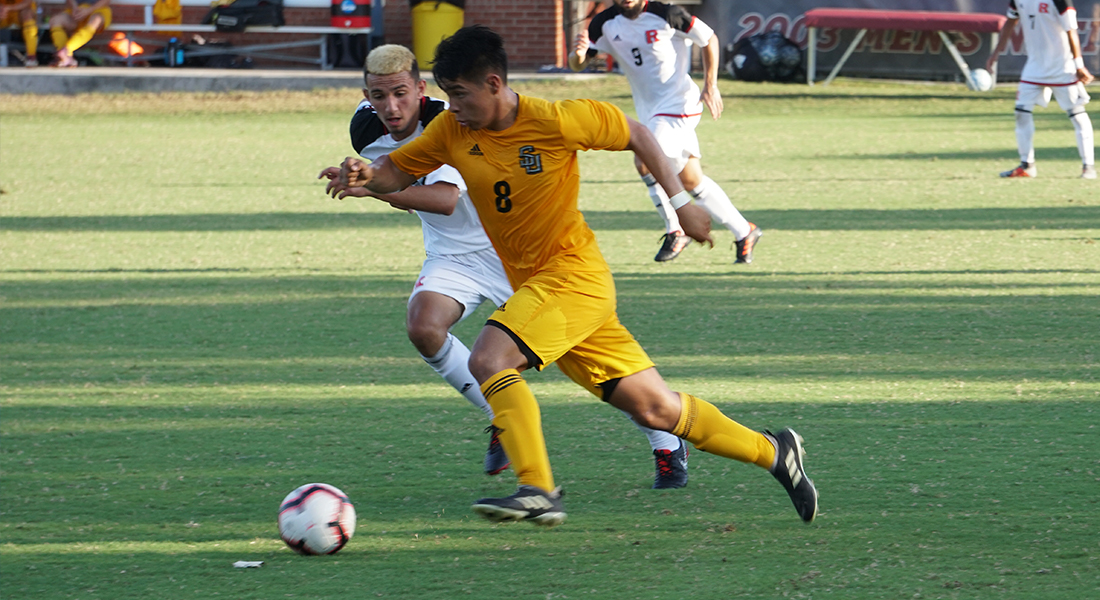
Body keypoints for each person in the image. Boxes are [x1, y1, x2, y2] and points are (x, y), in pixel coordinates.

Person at [323, 25, 818, 527]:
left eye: (458, 94)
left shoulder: (557, 120)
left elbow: (637, 134)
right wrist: (365, 176)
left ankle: (537, 488)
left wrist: (682, 202)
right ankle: (775, 452)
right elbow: (398, 173)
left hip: (572, 278)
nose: (451, 107)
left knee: (490, 358)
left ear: (494, 84)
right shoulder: (453, 131)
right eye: (447, 95)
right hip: (544, 291)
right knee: (656, 411)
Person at [319, 43, 693, 489]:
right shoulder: (366, 130)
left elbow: (443, 198)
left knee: (594, 363)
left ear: (421, 88)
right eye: (379, 97)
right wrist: (367, 176)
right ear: (366, 95)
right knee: (424, 326)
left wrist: (376, 189)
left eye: (401, 93)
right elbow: (395, 178)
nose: (391, 107)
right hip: (452, 255)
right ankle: (499, 412)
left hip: (515, 253)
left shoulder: (454, 118)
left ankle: (665, 439)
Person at [569, 0, 763, 263]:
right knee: (692, 181)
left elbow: (709, 39)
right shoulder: (603, 23)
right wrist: (578, 56)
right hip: (650, 112)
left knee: (645, 162)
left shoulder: (667, 13)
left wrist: (711, 85)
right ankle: (744, 231)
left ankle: (675, 230)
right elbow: (578, 64)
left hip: (679, 104)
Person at [986, 0, 1096, 179]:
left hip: (1062, 67)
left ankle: (1088, 167)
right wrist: (995, 52)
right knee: (1021, 113)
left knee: (1076, 114)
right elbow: (1010, 22)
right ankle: (1027, 165)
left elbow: (1071, 30)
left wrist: (1079, 65)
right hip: (1034, 67)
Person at [48, 0, 111, 68]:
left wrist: (88, 10)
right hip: (77, 10)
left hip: (98, 10)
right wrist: (74, 8)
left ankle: (65, 51)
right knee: (55, 20)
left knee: (96, 20)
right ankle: (65, 57)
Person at [1, 0, 39, 67]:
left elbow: (28, 2)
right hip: (3, 11)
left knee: (27, 13)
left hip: (19, 11)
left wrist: (9, 8)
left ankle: (31, 56)